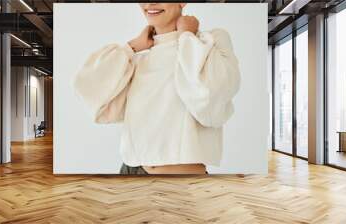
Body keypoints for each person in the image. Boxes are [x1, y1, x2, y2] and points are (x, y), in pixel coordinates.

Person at [74, 3, 240, 174]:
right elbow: (91, 90)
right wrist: (131, 47)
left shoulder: (210, 41)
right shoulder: (139, 57)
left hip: (179, 180)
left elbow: (210, 100)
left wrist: (187, 36)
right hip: (130, 170)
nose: (150, 3)